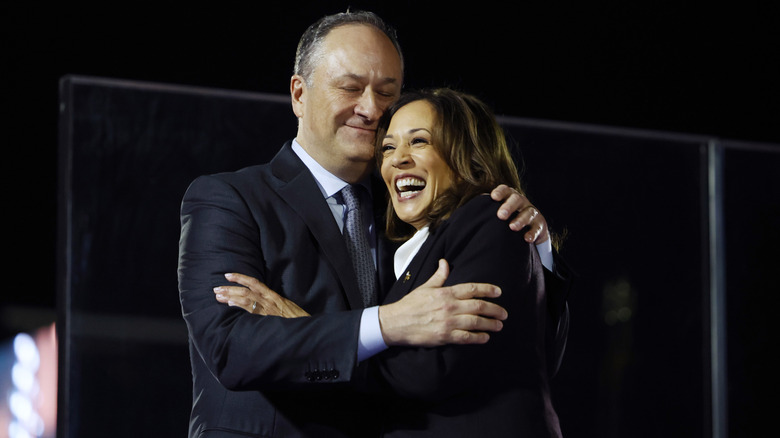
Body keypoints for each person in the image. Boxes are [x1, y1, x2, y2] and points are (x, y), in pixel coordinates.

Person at [179, 10, 569, 438]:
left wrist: (534, 252)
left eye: (387, 93)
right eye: (350, 87)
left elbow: (507, 358)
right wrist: (387, 323)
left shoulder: (422, 210)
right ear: (298, 94)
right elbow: (233, 349)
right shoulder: (229, 199)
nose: (370, 109)